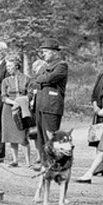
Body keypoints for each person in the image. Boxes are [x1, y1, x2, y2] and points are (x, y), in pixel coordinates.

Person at [30, 38, 68, 170]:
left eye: (46, 51)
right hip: (40, 106)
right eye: (43, 52)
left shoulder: (62, 65)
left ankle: (56, 164)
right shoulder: (45, 66)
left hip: (52, 107)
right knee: (41, 137)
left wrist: (41, 79)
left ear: (54, 52)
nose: (43, 54)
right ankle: (45, 164)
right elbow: (36, 80)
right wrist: (42, 79)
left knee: (51, 137)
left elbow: (49, 78)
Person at [1, 54, 32, 167]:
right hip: (9, 109)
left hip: (22, 109)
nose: (8, 68)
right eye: (7, 66)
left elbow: (30, 94)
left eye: (10, 66)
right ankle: (15, 160)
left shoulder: (26, 79)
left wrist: (22, 101)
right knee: (11, 136)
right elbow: (3, 97)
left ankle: (28, 162)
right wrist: (13, 103)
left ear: (17, 66)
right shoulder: (5, 81)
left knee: (22, 136)